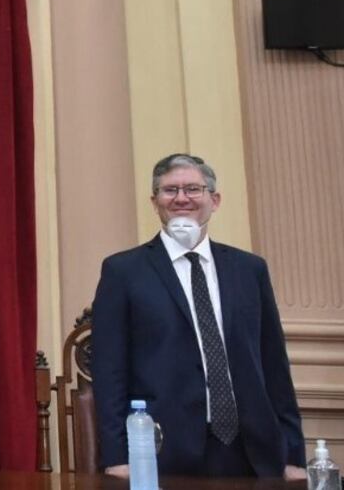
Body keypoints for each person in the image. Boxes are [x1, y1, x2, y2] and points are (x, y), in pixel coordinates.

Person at [92, 153, 306, 479]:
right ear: (155, 202)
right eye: (170, 190)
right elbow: (110, 371)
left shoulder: (249, 270)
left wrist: (293, 455)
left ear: (214, 200)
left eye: (193, 189)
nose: (181, 198)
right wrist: (118, 456)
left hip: (251, 450)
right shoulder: (123, 271)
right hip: (163, 450)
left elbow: (274, 365)